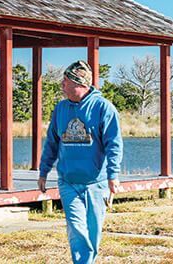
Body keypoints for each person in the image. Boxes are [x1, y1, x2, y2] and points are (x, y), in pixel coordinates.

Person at [37, 60, 123, 264]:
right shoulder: (60, 109)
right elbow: (52, 142)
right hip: (68, 182)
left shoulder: (104, 108)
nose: (61, 84)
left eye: (65, 80)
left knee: (93, 232)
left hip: (96, 183)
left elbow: (114, 144)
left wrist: (113, 175)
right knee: (76, 227)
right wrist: (43, 171)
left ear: (79, 84)